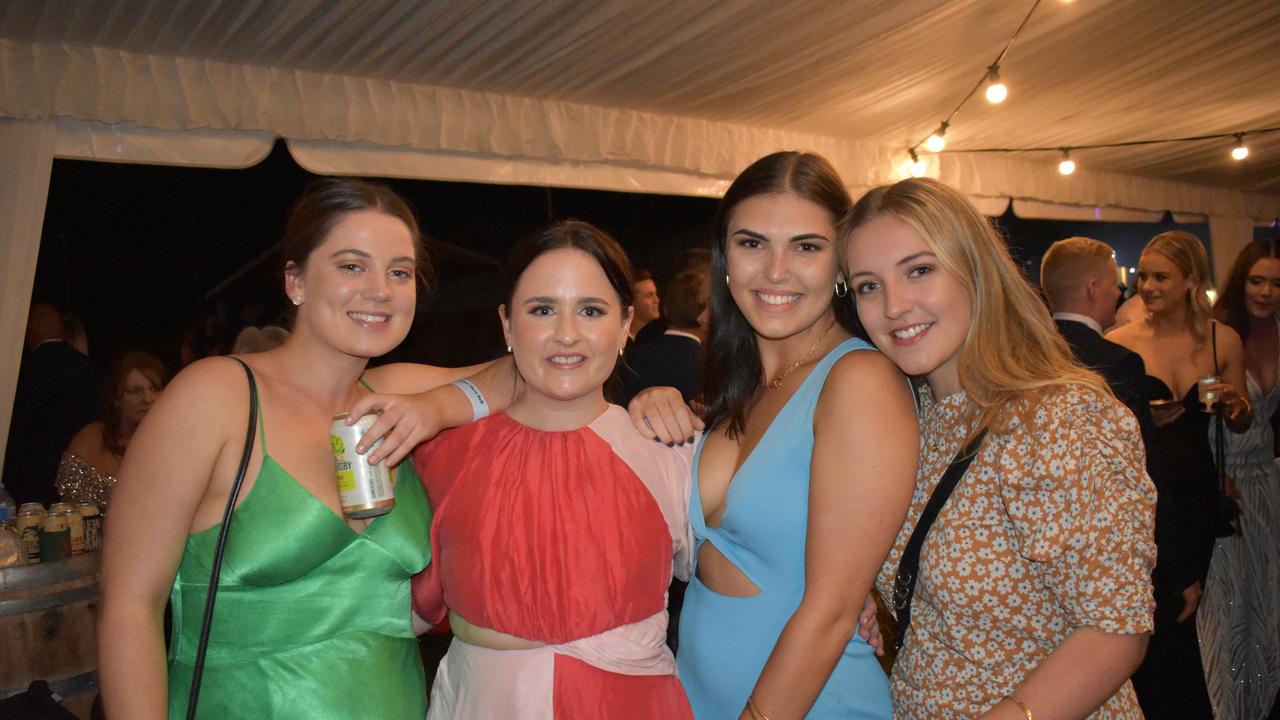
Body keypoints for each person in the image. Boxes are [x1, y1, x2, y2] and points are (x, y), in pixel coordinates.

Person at [98, 178, 510, 719]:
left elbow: (527, 369)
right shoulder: (217, 394)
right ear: (295, 281)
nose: (381, 290)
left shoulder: (399, 391)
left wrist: (437, 407)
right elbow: (129, 606)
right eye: (351, 266)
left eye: (400, 272)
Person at [842, 177, 1156, 719]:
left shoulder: (1059, 419)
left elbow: (1115, 630)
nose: (893, 306)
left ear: (975, 269)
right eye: (869, 285)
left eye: (920, 270)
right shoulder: (908, 414)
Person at [652, 151, 915, 720]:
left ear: (840, 265)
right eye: (752, 244)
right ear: (725, 260)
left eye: (806, 246)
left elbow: (831, 610)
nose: (775, 271)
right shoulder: (737, 391)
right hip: (699, 694)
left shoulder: (859, 379)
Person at [410, 220, 695, 717]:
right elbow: (406, 606)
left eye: (590, 310)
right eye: (543, 309)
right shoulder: (445, 452)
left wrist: (850, 605)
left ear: (626, 322)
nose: (566, 334)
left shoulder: (671, 451)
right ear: (506, 324)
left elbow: (737, 576)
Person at [1107, 230, 1253, 720]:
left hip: (1198, 493)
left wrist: (1235, 406)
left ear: (1191, 280)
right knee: (1158, 620)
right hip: (1148, 497)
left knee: (1206, 621)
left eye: (1160, 277)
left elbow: (1239, 423)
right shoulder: (1118, 342)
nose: (1147, 286)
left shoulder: (1221, 339)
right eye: (1143, 275)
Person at [1200, 238, 1280, 720]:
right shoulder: (1216, 334)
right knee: (1225, 607)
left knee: (1267, 601)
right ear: (1240, 280)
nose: (1267, 292)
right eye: (1257, 280)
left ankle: (1262, 702)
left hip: (1267, 485)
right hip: (1222, 482)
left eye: (1277, 282)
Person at [3, 302, 103, 506]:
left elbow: (17, 430)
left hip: (33, 479)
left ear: (28, 333)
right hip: (82, 470)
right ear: (61, 329)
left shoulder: (21, 373)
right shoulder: (89, 368)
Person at [55, 351, 167, 508]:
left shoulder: (174, 441)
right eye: (135, 391)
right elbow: (71, 511)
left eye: (155, 388)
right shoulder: (92, 440)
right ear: (116, 398)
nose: (148, 399)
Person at [621, 269, 709, 406]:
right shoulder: (710, 368)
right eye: (649, 295)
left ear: (666, 310)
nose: (656, 300)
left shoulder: (633, 356)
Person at [630, 267, 663, 341]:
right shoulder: (618, 342)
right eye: (649, 295)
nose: (657, 300)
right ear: (632, 301)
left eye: (655, 294)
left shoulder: (655, 340)